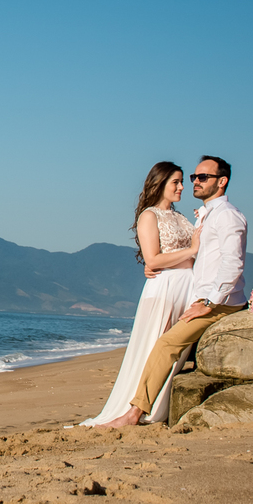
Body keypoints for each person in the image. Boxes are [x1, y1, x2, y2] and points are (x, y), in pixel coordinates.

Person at [100, 155, 247, 429]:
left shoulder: (225, 216)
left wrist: (208, 301)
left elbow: (231, 263)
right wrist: (156, 264)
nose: (191, 184)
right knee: (161, 344)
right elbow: (162, 256)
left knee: (169, 345)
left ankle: (139, 412)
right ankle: (135, 410)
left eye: (200, 178)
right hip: (178, 289)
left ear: (222, 181)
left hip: (204, 297)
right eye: (189, 179)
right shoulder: (201, 214)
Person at [79, 162, 202, 426]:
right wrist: (191, 251)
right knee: (154, 348)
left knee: (175, 351)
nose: (182, 187)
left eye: (182, 182)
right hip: (165, 289)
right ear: (160, 184)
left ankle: (158, 405)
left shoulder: (181, 217)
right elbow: (154, 259)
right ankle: (139, 407)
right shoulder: (149, 216)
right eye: (176, 182)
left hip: (186, 288)